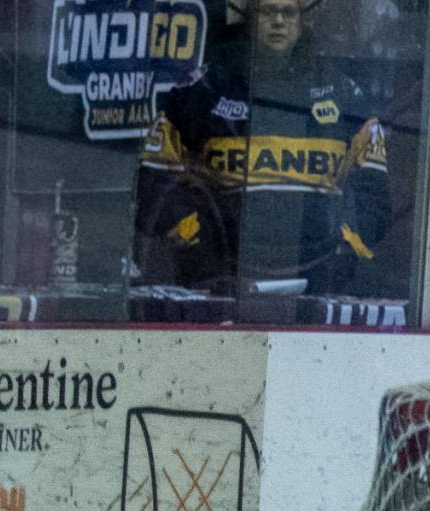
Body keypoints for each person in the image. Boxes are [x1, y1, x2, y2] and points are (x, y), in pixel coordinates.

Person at [132, 0, 388, 310]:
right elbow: (153, 180)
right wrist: (195, 241)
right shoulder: (202, 90)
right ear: (249, 18)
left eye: (288, 12)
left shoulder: (344, 93)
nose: (278, 21)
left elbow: (373, 194)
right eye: (267, 11)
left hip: (318, 280)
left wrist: (347, 249)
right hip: (219, 281)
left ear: (302, 20)